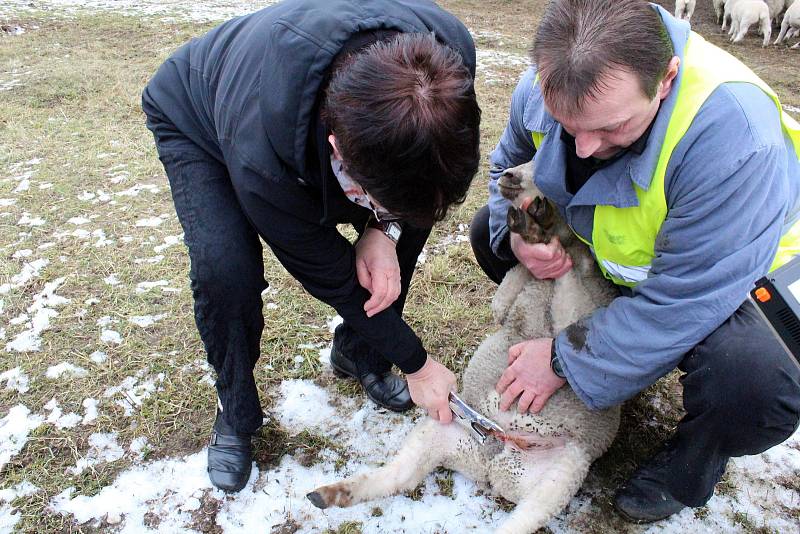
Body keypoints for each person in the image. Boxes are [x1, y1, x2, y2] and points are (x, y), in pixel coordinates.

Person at [470, 0, 800, 523]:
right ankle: (603, 350)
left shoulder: (734, 139)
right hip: (616, 254)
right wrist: (522, 233)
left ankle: (689, 467)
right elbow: (508, 170)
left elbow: (685, 298)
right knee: (484, 234)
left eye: (612, 128)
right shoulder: (548, 81)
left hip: (729, 281)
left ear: (666, 78)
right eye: (566, 124)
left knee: (753, 384)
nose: (583, 148)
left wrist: (561, 359)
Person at [141, 0, 480, 493]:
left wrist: (385, 229)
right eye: (374, 200)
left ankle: (359, 354)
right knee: (225, 271)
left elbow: (416, 195)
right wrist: (418, 364)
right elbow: (333, 275)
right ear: (339, 150)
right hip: (202, 117)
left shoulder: (450, 58)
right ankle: (235, 410)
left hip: (310, 112)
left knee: (408, 222)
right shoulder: (263, 159)